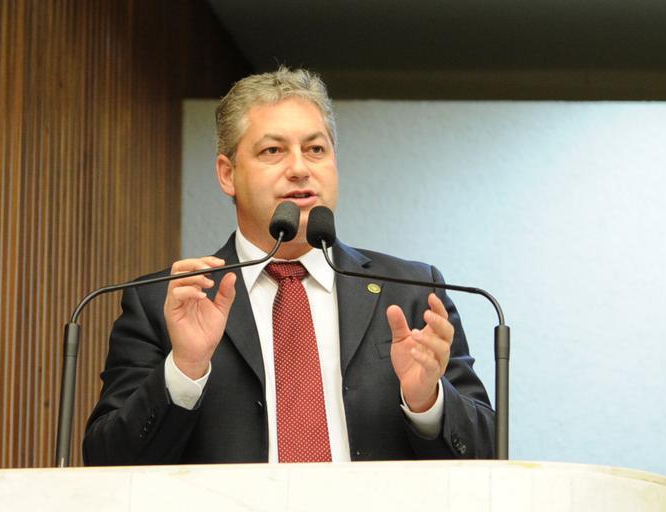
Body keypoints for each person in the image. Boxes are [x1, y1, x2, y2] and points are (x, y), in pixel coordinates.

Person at [83, 67, 494, 465]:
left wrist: (427, 402)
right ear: (227, 174)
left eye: (316, 149)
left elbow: (488, 454)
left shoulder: (411, 291)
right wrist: (184, 370)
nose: (300, 168)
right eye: (273, 151)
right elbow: (107, 462)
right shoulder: (167, 301)